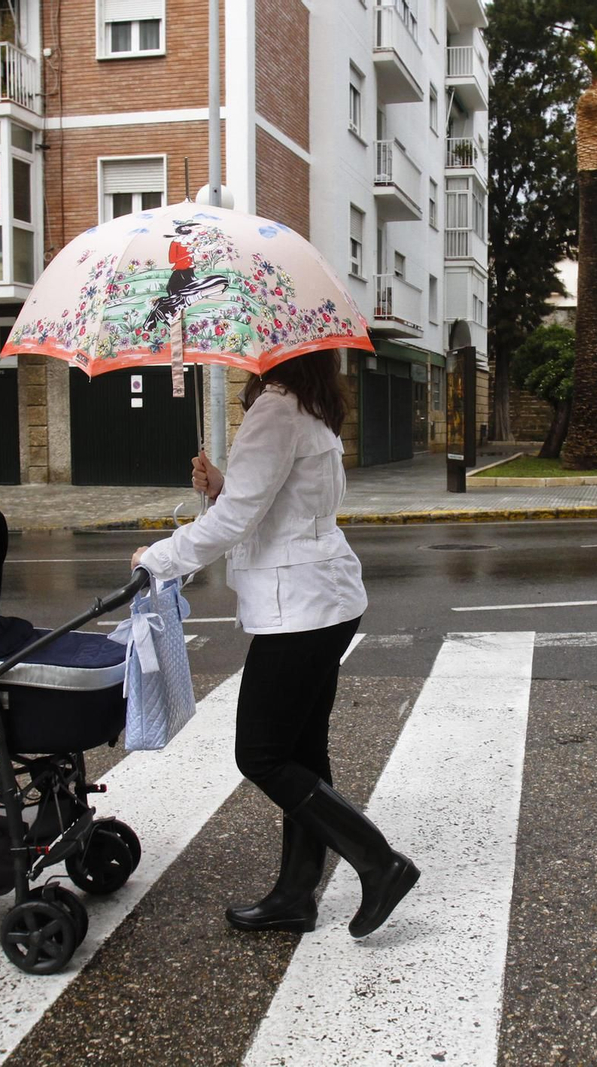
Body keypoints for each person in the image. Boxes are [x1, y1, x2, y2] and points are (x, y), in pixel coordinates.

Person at [130, 350, 418, 938]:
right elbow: (281, 502)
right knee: (303, 754)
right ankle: (295, 895)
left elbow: (235, 521)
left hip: (301, 609)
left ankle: (379, 863)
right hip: (325, 601)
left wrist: (156, 558)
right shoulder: (311, 407)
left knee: (260, 755)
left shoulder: (275, 409)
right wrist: (224, 485)